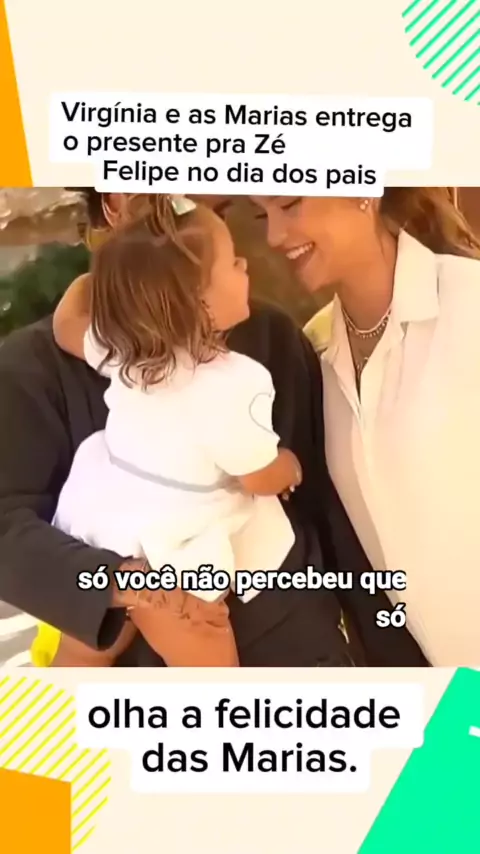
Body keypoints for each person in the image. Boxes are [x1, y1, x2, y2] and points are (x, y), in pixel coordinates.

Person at [0, 189, 428, 668]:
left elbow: (331, 516)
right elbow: (8, 531)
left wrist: (408, 674)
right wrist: (130, 587)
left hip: (302, 659)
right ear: (113, 201)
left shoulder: (268, 337)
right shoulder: (32, 370)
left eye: (217, 210)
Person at [45, 193, 301, 667]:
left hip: (106, 528)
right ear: (199, 303)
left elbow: (66, 324)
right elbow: (257, 476)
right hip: (175, 559)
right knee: (213, 675)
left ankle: (54, 711)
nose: (245, 263)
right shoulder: (235, 383)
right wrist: (289, 466)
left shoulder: (124, 348)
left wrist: (103, 279)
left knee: (81, 658)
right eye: (232, 261)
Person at [250, 188, 480, 667]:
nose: (273, 235)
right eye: (261, 214)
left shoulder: (470, 304)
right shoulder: (316, 356)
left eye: (289, 205)